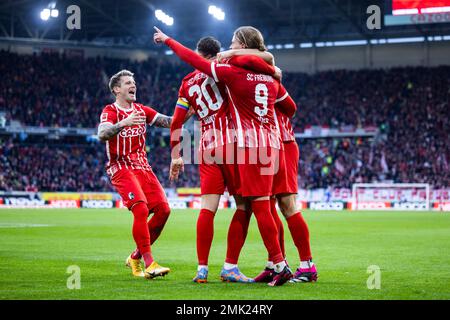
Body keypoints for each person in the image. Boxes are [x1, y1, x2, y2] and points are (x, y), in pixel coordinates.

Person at [154, 25, 296, 286]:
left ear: (199, 53)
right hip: (235, 145)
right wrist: (273, 70)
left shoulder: (187, 82)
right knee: (248, 205)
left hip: (206, 147)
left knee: (207, 209)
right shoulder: (229, 73)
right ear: (219, 53)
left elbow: (177, 121)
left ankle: (202, 269)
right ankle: (238, 264)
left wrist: (176, 154)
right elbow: (264, 67)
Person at [219, 48, 318, 283]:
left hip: (280, 142)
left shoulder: (263, 80)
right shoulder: (262, 79)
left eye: (235, 43)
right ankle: (275, 264)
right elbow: (290, 107)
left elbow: (291, 109)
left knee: (286, 205)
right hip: (271, 144)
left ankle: (306, 265)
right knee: (270, 207)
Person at [97, 69, 173, 280]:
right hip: (121, 167)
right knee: (140, 209)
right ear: (116, 89)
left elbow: (169, 121)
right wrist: (122, 124)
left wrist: (191, 110)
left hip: (143, 168)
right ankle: (149, 263)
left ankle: (134, 256)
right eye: (128, 83)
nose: (134, 85)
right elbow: (102, 134)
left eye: (134, 82)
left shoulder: (141, 110)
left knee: (164, 211)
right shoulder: (110, 111)